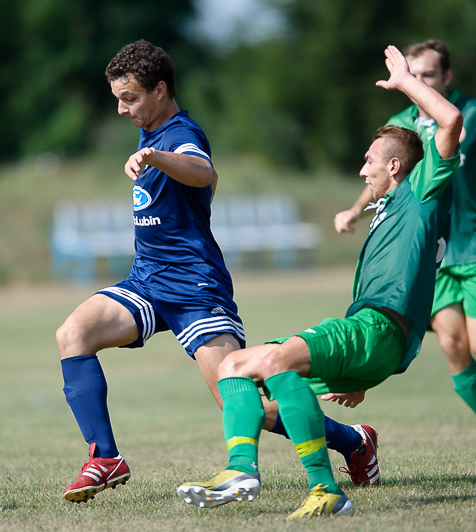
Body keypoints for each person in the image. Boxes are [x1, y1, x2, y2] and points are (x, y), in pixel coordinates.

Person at [56, 39, 366, 505]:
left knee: (241, 403)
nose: (121, 109)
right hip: (146, 280)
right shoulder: (151, 129)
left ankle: (354, 441)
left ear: (160, 90)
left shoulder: (181, 132)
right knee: (73, 334)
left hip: (196, 287)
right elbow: (207, 186)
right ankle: (105, 457)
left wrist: (157, 158)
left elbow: (202, 171)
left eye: (130, 98)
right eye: (117, 98)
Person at [177, 45, 463, 518]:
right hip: (374, 337)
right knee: (234, 367)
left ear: (395, 166)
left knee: (274, 361)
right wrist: (363, 371)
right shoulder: (390, 206)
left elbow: (450, 122)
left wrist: (407, 81)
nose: (362, 168)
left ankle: (322, 488)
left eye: (369, 160)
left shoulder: (422, 189)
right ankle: (240, 467)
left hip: (377, 331)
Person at [335, 39, 476, 449]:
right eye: (412, 76)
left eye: (428, 76)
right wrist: (353, 209)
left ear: (447, 77)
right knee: (453, 343)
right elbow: (388, 174)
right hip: (431, 257)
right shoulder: (401, 121)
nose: (419, 82)